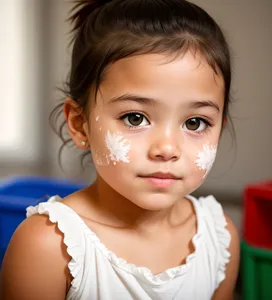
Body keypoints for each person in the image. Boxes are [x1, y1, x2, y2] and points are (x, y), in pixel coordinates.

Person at [0, 0, 240, 299]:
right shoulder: (49, 245)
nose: (167, 148)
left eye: (195, 123)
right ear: (80, 123)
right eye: (135, 118)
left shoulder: (219, 239)